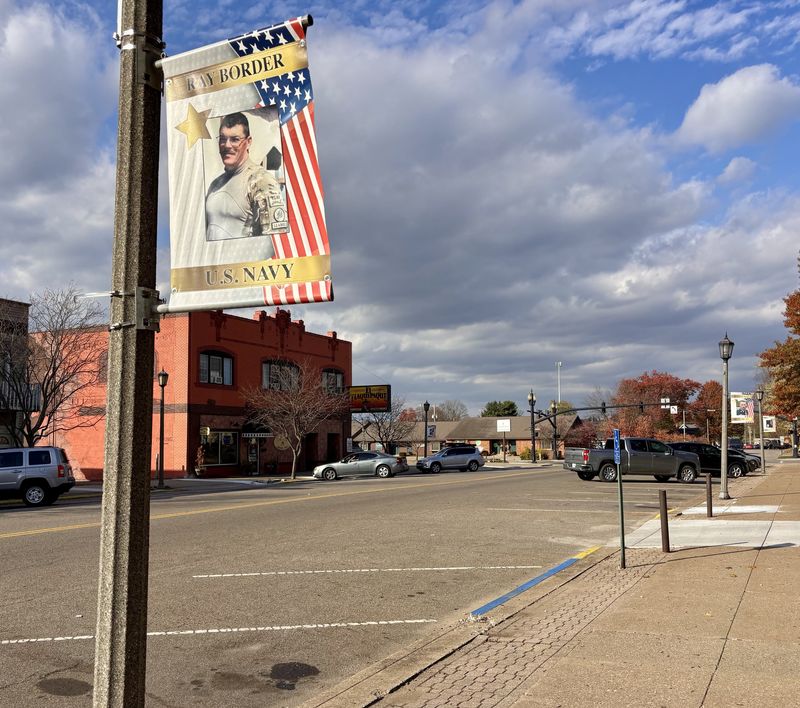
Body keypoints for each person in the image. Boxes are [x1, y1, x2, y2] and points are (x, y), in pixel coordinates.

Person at [205, 112, 287, 244]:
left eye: (235, 139)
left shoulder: (261, 181)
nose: (227, 145)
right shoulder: (214, 185)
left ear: (248, 142)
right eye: (222, 139)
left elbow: (274, 240)